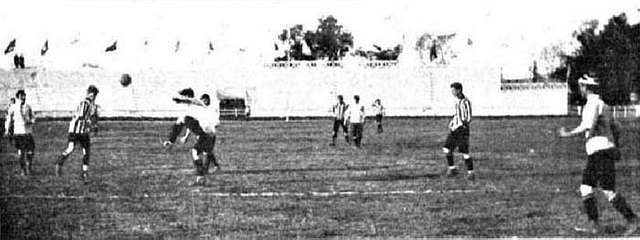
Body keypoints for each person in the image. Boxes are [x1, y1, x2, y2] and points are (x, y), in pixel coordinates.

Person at [558, 74, 638, 235]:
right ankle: (595, 225)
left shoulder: (592, 103)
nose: (580, 90)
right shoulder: (604, 105)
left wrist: (568, 133)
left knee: (607, 190)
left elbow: (588, 125)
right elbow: (616, 127)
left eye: (581, 86)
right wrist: (615, 145)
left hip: (599, 151)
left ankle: (633, 220)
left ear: (585, 88)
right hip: (602, 151)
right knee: (586, 187)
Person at [166, 93, 221, 186]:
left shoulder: (193, 111)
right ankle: (206, 172)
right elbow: (193, 101)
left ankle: (201, 176)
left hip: (206, 133)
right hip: (209, 134)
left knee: (196, 152)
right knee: (205, 152)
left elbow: (193, 101)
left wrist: (171, 140)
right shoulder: (200, 108)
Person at [54, 85, 100, 182]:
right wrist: (91, 124)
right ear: (92, 94)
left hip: (83, 131)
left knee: (86, 151)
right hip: (76, 130)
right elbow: (81, 116)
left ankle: (84, 173)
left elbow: (92, 117)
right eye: (94, 95)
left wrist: (94, 125)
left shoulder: (92, 105)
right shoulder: (85, 103)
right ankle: (59, 163)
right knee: (71, 149)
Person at [443, 82, 474, 180]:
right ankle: (452, 168)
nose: (452, 92)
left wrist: (463, 125)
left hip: (462, 130)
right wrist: (453, 123)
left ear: (458, 90)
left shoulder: (465, 102)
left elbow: (468, 117)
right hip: (455, 129)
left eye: (453, 90)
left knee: (464, 152)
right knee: (447, 148)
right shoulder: (457, 101)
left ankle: (471, 172)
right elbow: (457, 114)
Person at [4, 90, 35, 176]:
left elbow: (33, 117)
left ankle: (29, 166)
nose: (24, 98)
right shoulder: (13, 107)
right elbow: (8, 119)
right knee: (21, 152)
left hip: (28, 132)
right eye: (22, 96)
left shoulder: (28, 107)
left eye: (24, 96)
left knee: (31, 151)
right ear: (18, 97)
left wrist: (31, 121)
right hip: (18, 133)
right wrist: (7, 130)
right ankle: (23, 170)